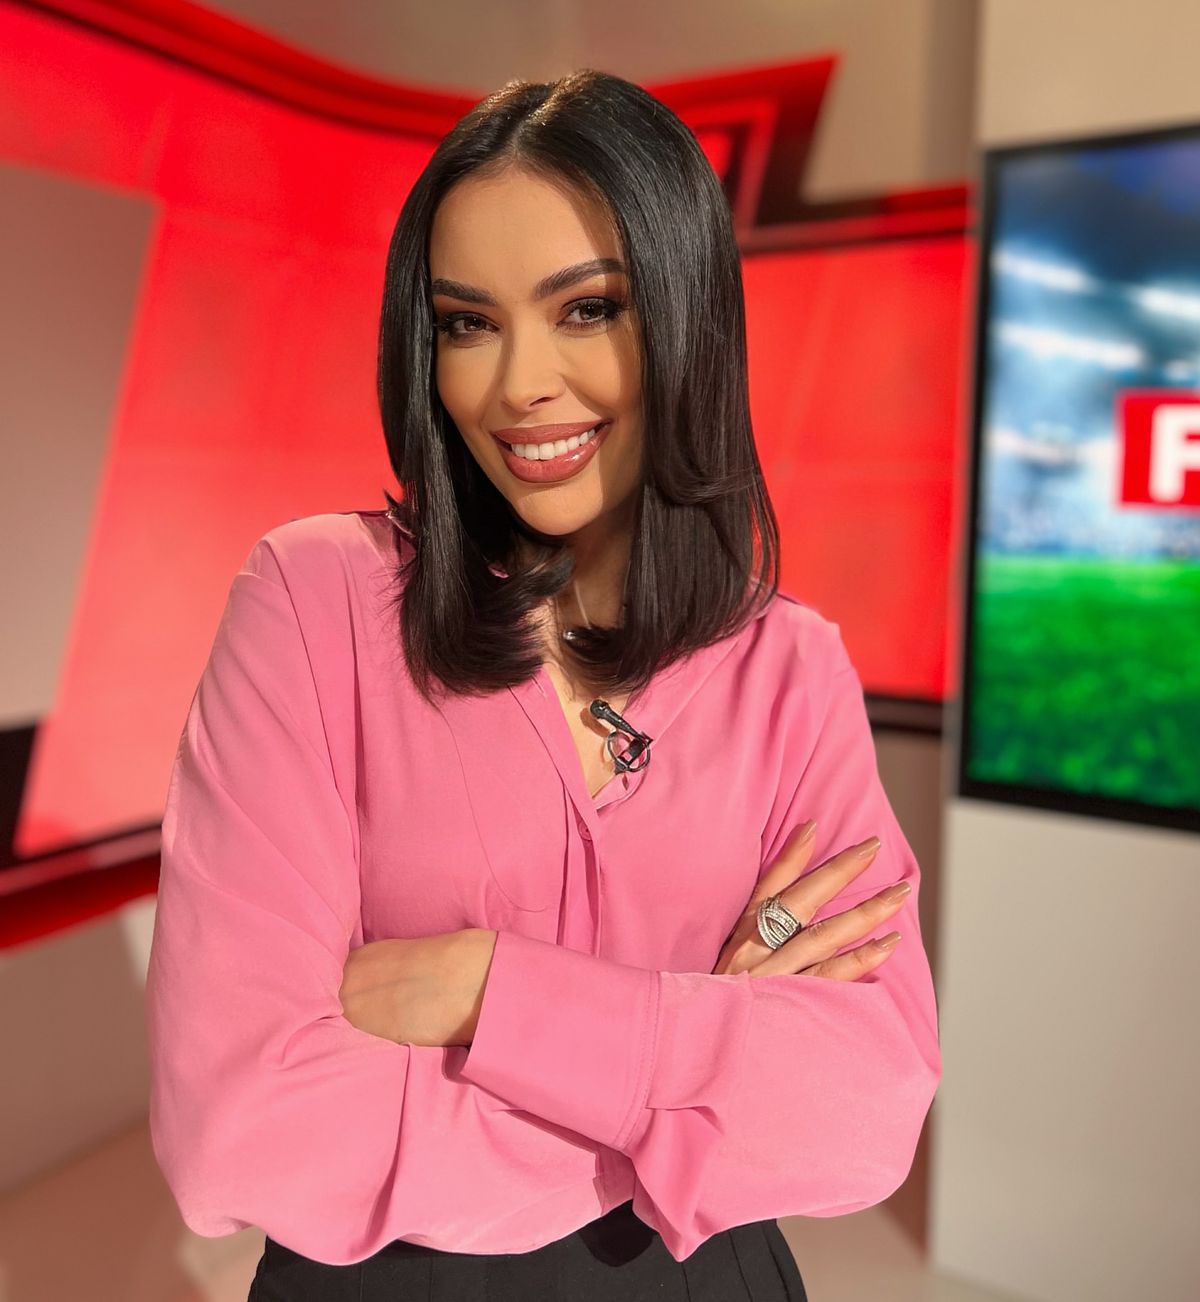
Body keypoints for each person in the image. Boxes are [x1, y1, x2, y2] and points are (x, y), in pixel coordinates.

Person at [145, 68, 940, 1301]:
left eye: (587, 309)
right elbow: (237, 1125)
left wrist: (488, 988)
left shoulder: (789, 667)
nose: (518, 383)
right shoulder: (311, 601)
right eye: (468, 324)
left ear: (685, 320)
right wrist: (695, 1074)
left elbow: (865, 1107)